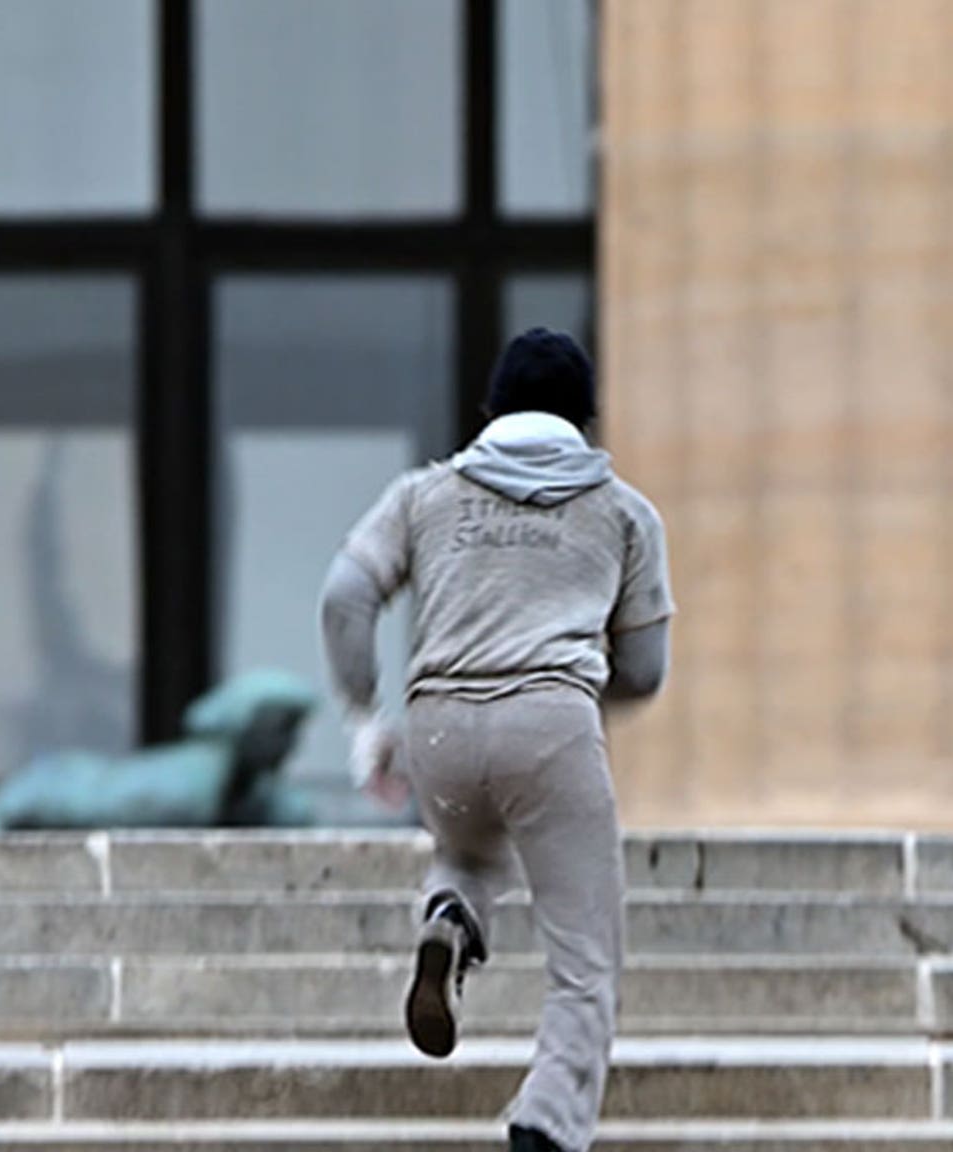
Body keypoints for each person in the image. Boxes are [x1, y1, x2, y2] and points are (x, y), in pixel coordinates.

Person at [318, 328, 674, 1152]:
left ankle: (449, 915)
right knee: (585, 965)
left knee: (470, 851)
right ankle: (544, 1127)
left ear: (489, 411)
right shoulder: (624, 512)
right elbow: (648, 668)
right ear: (586, 420)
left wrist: (366, 720)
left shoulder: (423, 496)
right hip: (552, 720)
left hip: (438, 724)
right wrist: (583, 685)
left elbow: (345, 598)